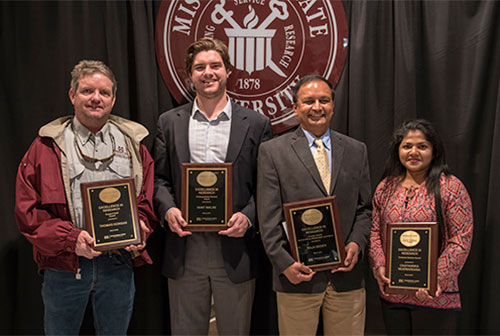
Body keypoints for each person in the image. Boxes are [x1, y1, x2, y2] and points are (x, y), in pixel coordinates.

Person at [14, 60, 157, 335]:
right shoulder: (45, 147)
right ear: (72, 95)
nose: (96, 98)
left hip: (118, 265)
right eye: (87, 91)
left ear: (113, 98)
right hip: (65, 267)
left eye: (104, 92)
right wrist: (71, 240)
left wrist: (140, 223)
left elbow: (146, 199)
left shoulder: (133, 144)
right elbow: (27, 213)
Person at [153, 37, 273, 335]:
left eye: (215, 65)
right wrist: (168, 210)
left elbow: (268, 187)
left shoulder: (256, 124)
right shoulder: (169, 123)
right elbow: (158, 179)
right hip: (185, 247)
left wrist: (248, 217)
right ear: (189, 75)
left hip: (236, 247)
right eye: (200, 67)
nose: (208, 72)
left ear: (228, 70)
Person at [257, 74, 372, 335]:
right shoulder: (272, 152)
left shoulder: (357, 150)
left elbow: (365, 208)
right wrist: (284, 263)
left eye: (324, 100)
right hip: (297, 278)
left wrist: (355, 244)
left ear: (333, 105)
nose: (317, 107)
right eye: (308, 101)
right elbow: (268, 217)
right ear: (295, 108)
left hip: (347, 277)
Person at [368, 119, 473, 335]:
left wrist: (436, 278)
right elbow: (375, 233)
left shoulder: (451, 187)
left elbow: (461, 239)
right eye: (407, 146)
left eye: (422, 146)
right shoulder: (385, 188)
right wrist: (379, 266)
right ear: (398, 150)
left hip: (434, 296)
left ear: (434, 151)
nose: (413, 152)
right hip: (393, 295)